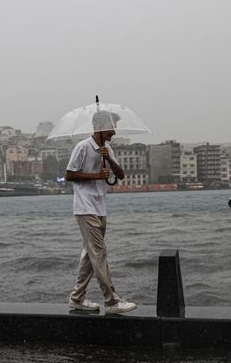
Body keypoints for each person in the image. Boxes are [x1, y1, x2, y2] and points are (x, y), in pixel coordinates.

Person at [65, 110, 137, 314]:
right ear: (100, 126)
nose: (114, 131)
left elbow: (120, 175)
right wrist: (96, 175)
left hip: (100, 207)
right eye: (112, 126)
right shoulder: (83, 147)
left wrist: (109, 159)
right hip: (85, 207)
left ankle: (77, 298)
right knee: (99, 252)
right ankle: (112, 301)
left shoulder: (107, 148)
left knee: (90, 254)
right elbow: (69, 175)